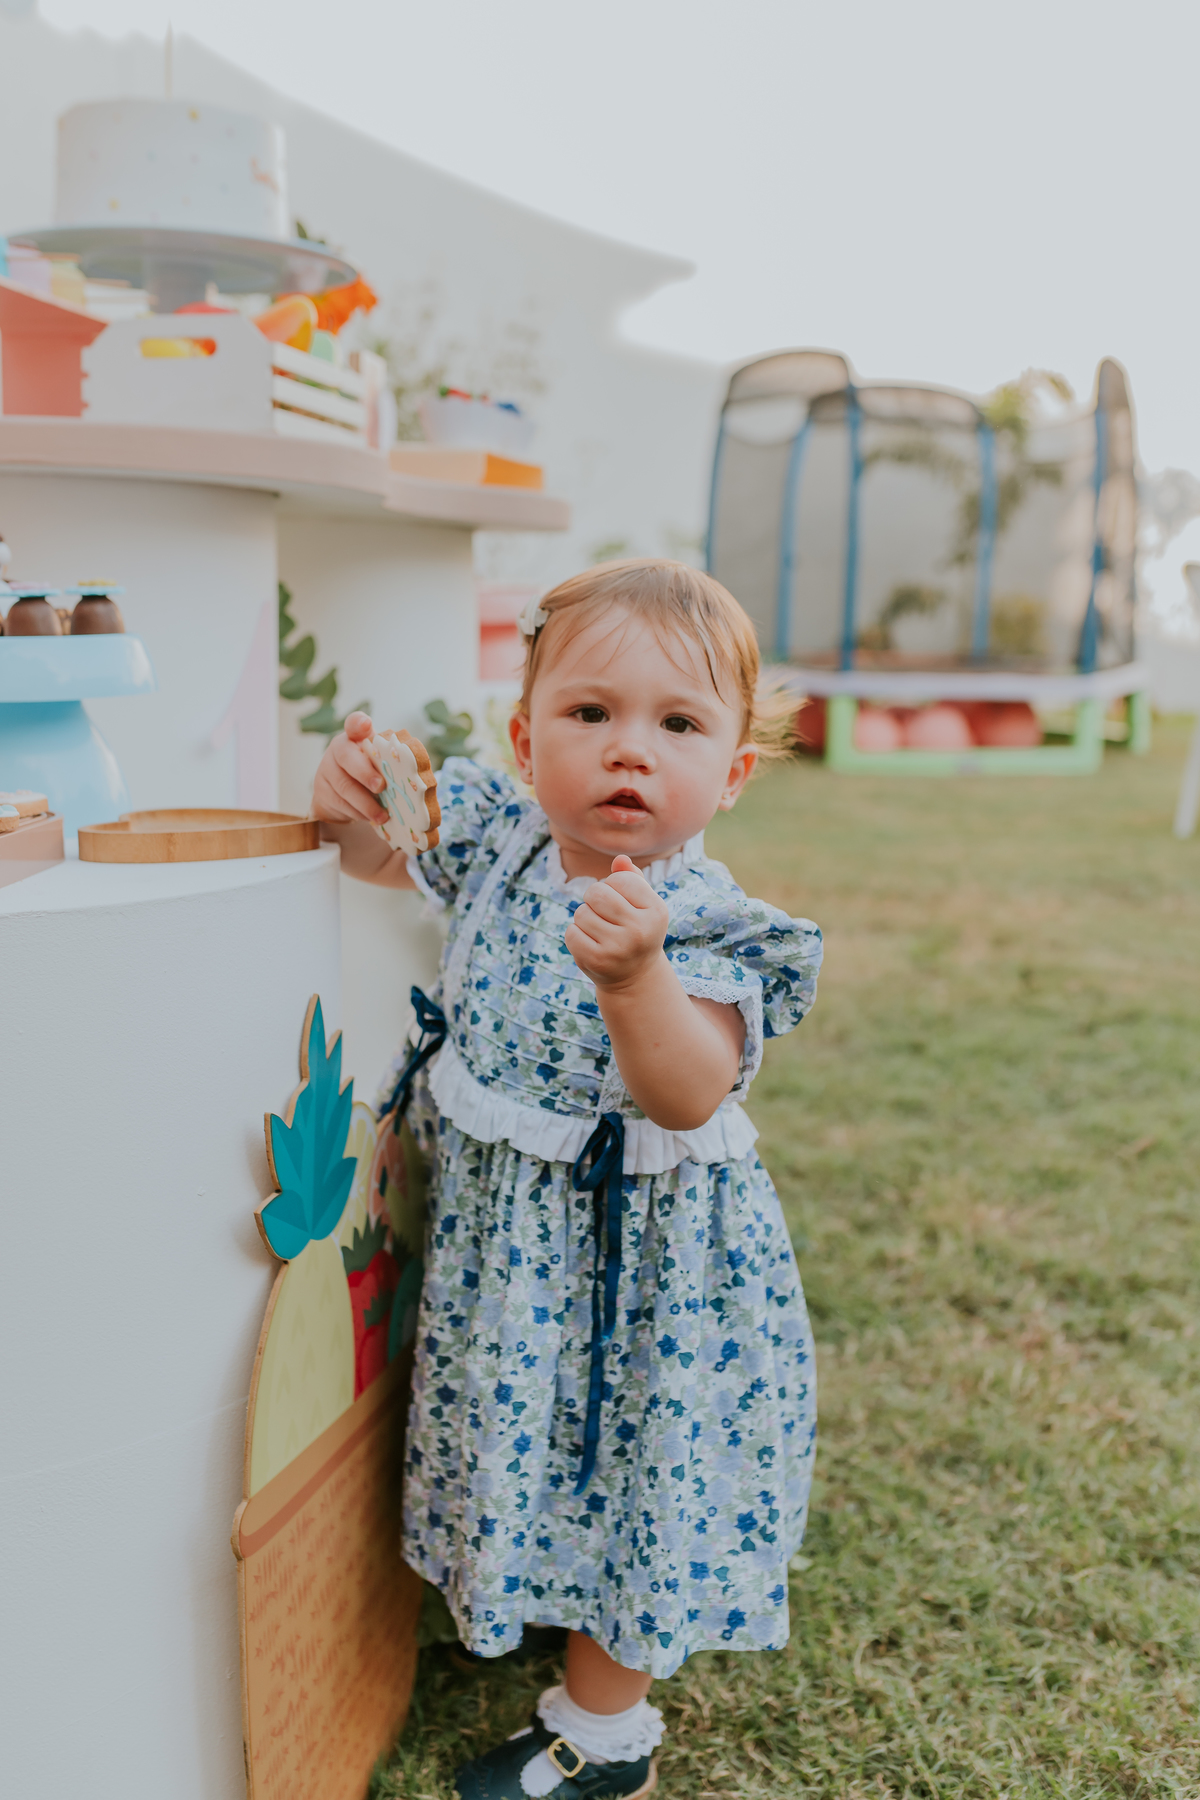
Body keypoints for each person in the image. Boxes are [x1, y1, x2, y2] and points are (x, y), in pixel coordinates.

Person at [313, 559, 822, 1800]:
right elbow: (373, 855)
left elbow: (689, 1089)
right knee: (532, 1435)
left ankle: (603, 1738)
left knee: (635, 1461)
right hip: (516, 1251)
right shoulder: (498, 840)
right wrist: (347, 797)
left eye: (679, 725)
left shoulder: (702, 917)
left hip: (644, 1270)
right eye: (591, 714)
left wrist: (640, 979)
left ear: (733, 775)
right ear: (526, 733)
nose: (628, 752)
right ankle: (547, 1589)